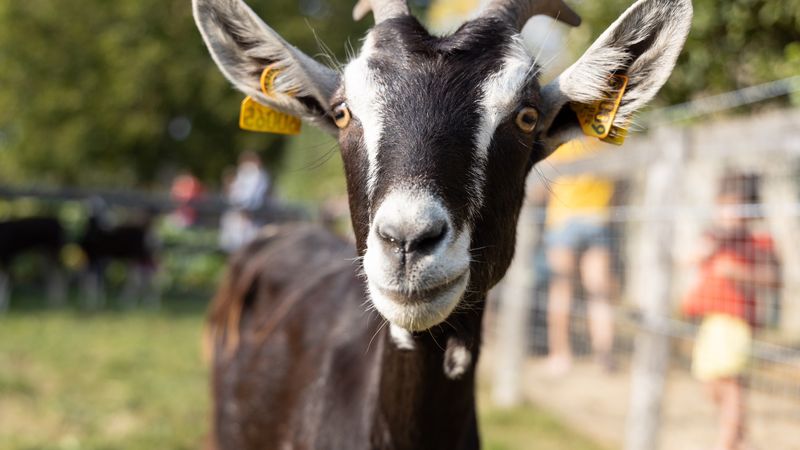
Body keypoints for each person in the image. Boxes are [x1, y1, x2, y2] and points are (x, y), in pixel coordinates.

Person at [682, 172, 779, 450]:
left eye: (738, 206)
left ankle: (726, 443)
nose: (730, 214)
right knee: (710, 384)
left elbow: (773, 279)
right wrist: (704, 251)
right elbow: (688, 260)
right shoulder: (712, 237)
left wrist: (741, 274)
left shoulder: (758, 242)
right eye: (725, 206)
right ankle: (741, 439)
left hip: (735, 321)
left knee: (732, 385)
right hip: (710, 320)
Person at [543, 139, 617, 375]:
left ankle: (560, 356)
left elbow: (544, 183)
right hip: (598, 218)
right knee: (600, 293)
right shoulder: (604, 140)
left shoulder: (559, 140)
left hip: (563, 219)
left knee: (561, 290)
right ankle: (605, 357)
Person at [219, 152, 271, 253]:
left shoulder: (257, 174)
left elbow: (252, 195)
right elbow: (238, 193)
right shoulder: (246, 173)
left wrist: (245, 206)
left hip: (251, 213)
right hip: (242, 212)